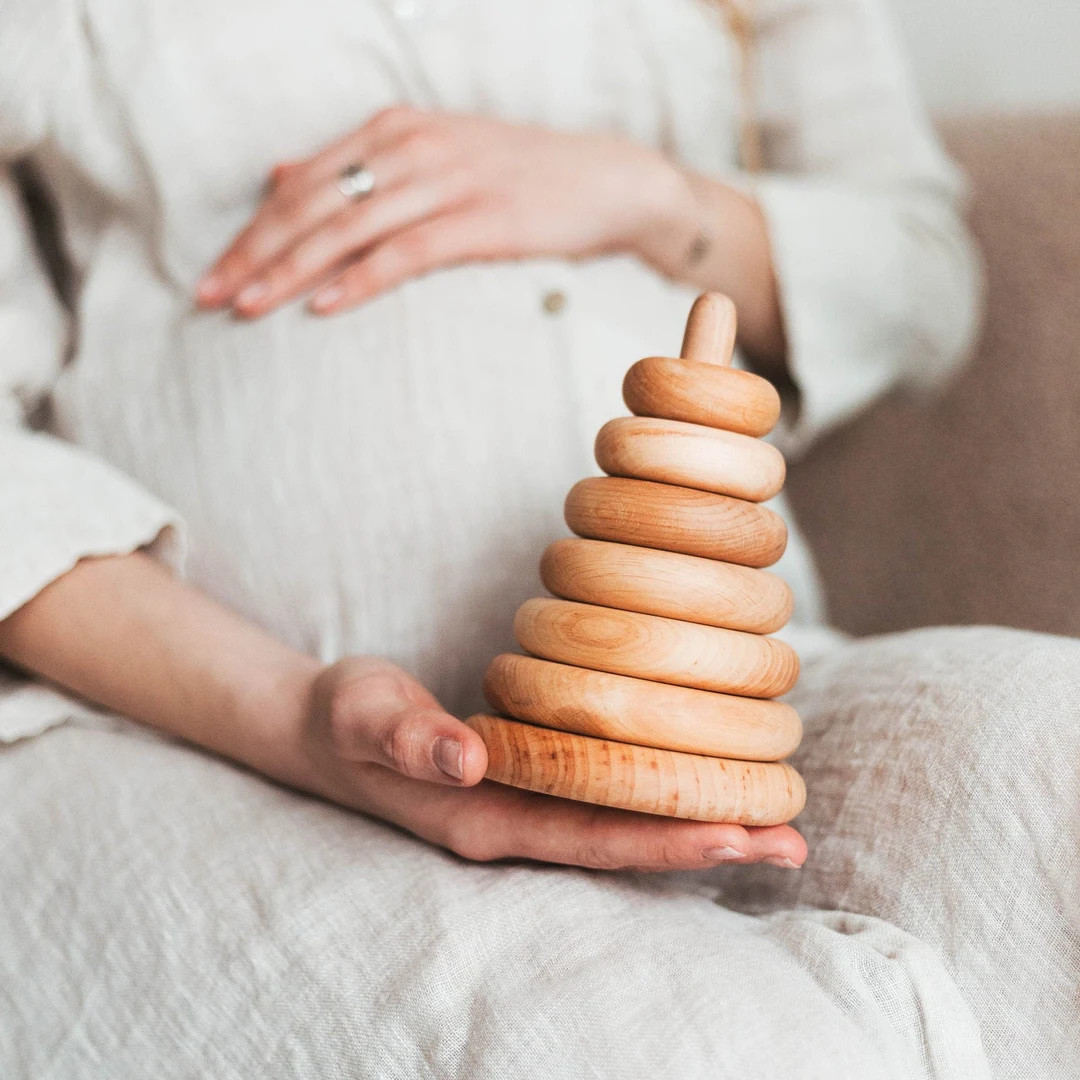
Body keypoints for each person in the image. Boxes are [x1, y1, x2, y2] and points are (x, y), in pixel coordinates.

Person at [0, 1, 1074, 1077]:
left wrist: (652, 197)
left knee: (1046, 761)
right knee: (690, 1044)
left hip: (720, 692)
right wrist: (293, 715)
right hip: (209, 726)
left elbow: (927, 278)